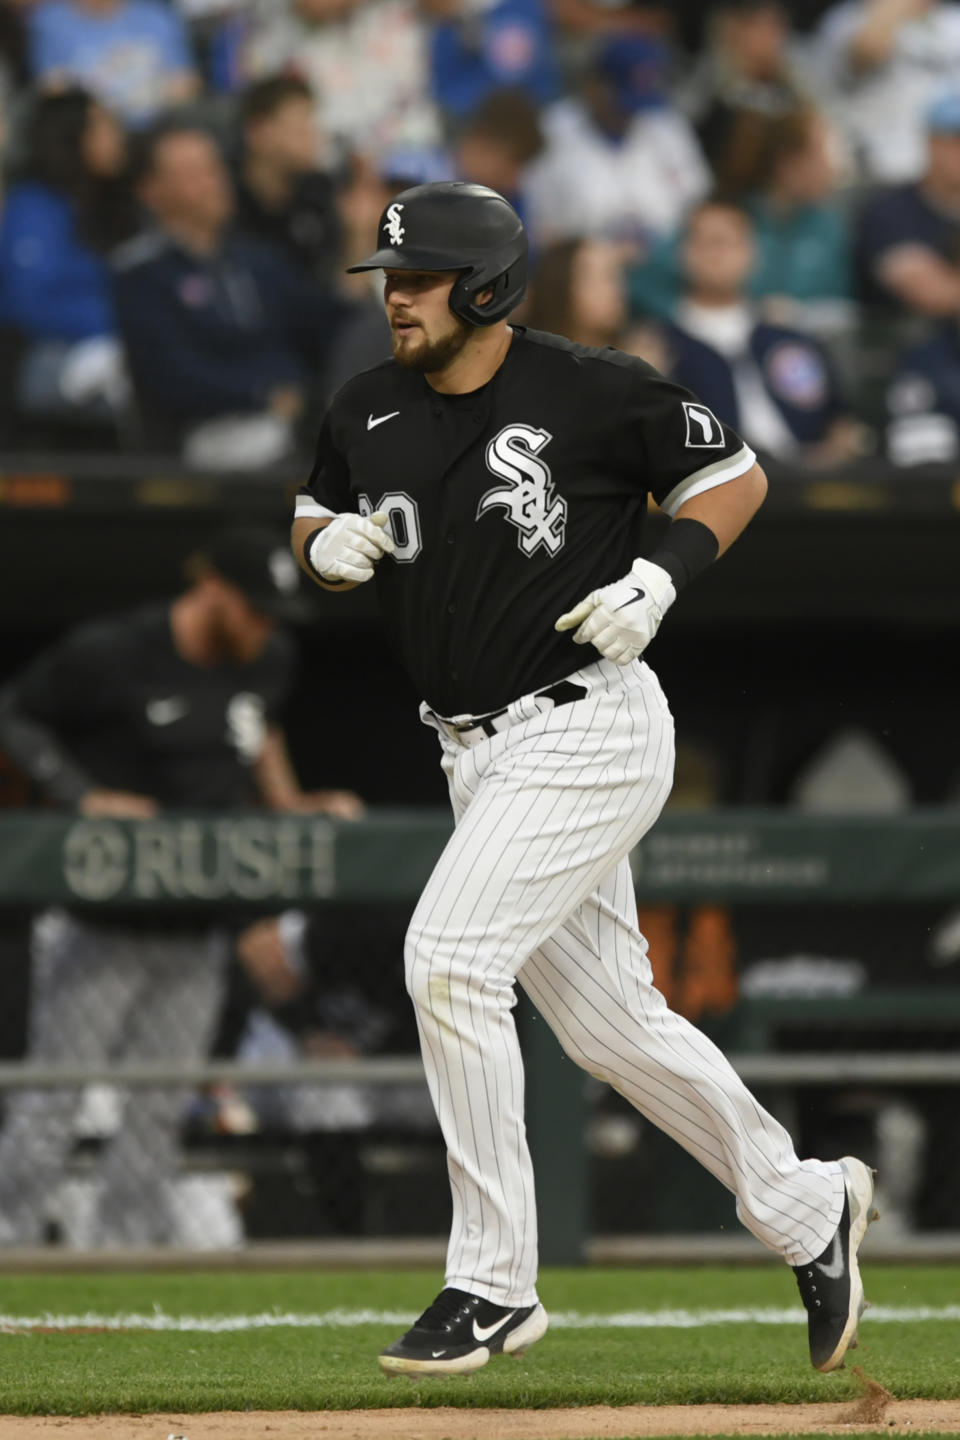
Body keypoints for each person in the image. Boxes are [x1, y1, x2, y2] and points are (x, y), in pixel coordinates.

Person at [290, 180, 878, 1377]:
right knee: (617, 1030)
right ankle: (808, 1208)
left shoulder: (592, 387)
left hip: (585, 728)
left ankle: (494, 1283)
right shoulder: (365, 407)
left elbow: (737, 476)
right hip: (470, 750)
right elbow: (311, 504)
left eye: (419, 278)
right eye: (389, 278)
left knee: (448, 961)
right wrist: (319, 544)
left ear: (492, 286)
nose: (396, 296)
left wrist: (661, 576)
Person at [0, 525, 362, 1248]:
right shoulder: (116, 651)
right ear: (212, 588)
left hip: (196, 927)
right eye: (253, 608)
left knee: (159, 1105)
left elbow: (258, 729)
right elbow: (17, 714)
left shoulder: (269, 660)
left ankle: (123, 1253)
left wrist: (287, 802)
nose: (265, 627)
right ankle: (8, 1236)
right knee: (55, 1097)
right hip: (101, 921)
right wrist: (78, 794)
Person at [112, 119, 348, 466]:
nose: (215, 181)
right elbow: (171, 375)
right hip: (208, 430)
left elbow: (320, 323)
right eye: (195, 172)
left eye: (215, 167)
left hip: (295, 415)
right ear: (152, 190)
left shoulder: (257, 262)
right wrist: (264, 396)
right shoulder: (142, 274)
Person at [653, 199, 859, 465]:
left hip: (803, 487)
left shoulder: (787, 337)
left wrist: (834, 452)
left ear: (752, 252)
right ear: (683, 254)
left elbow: (840, 419)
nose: (718, 255)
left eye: (729, 243)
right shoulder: (660, 347)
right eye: (707, 243)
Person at [0, 87, 137, 429]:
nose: (117, 137)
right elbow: (29, 305)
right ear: (70, 136)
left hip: (119, 345)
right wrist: (128, 323)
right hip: (44, 354)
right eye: (102, 126)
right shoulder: (32, 206)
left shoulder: (115, 206)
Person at [813, 0, 960, 183]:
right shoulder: (850, 19)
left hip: (946, 176)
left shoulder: (953, 20)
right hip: (880, 175)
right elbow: (866, 50)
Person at [233, 72, 344, 291]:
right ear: (258, 133)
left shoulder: (320, 193)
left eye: (313, 123)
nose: (313, 136)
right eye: (300, 126)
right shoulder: (225, 200)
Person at [857, 90, 960, 320]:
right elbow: (931, 293)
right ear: (930, 142)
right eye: (954, 139)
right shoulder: (889, 211)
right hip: (900, 347)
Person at [25, 0, 201, 128]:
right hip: (87, 132)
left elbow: (186, 83)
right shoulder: (50, 21)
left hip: (156, 129)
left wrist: (140, 103)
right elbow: (52, 89)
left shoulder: (157, 15)